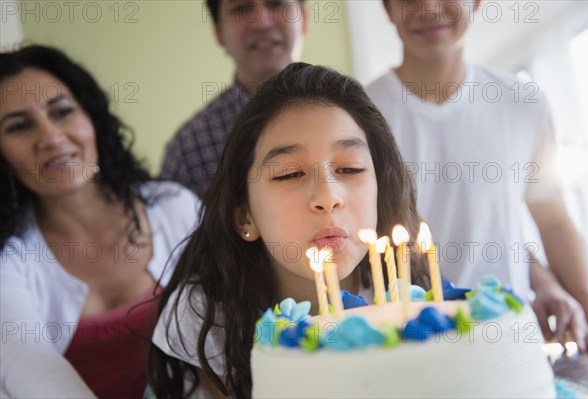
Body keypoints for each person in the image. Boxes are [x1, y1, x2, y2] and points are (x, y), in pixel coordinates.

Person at [148, 63, 430, 398]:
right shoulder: (210, 314)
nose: (327, 198)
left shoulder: (405, 288)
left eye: (349, 168)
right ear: (245, 218)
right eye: (289, 174)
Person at [365, 0, 588, 350]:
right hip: (408, 345)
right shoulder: (363, 114)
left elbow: (553, 222)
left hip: (511, 338)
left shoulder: (523, 102)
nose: (428, 9)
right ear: (387, 8)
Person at [0, 45, 199, 398]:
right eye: (19, 126)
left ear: (92, 118)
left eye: (61, 112)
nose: (51, 137)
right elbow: (26, 366)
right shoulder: (9, 263)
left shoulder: (176, 207)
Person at [160, 0, 309, 199]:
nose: (261, 22)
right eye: (241, 9)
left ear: (304, 19)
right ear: (219, 33)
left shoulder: (358, 116)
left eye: (276, 3)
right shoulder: (188, 152)